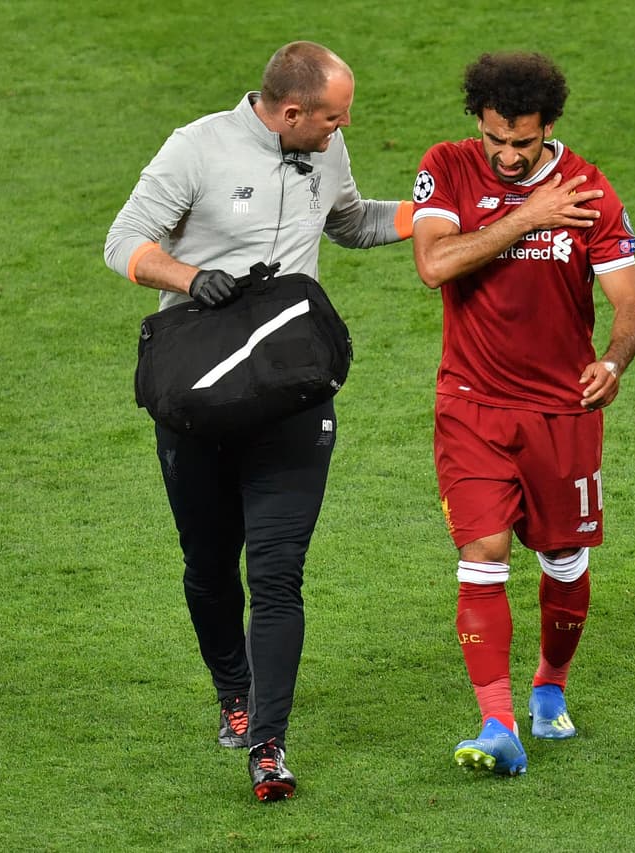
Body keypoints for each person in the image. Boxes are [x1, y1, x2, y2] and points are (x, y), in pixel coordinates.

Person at [103, 41, 413, 802]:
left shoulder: (327, 148)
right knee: (209, 567)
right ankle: (232, 691)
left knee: (277, 572)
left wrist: (435, 216)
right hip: (200, 391)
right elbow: (122, 242)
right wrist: (188, 276)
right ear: (291, 111)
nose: (342, 129)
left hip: (291, 393)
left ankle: (268, 742)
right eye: (332, 117)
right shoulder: (196, 148)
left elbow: (349, 221)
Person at [411, 52, 635, 777]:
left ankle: (550, 684)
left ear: (550, 128)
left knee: (563, 558)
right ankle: (498, 721)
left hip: (561, 411)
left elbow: (632, 303)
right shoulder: (446, 167)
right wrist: (526, 216)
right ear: (477, 126)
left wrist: (614, 361)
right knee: (482, 556)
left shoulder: (590, 191)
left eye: (525, 143)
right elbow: (435, 264)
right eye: (496, 141)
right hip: (472, 406)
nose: (509, 156)